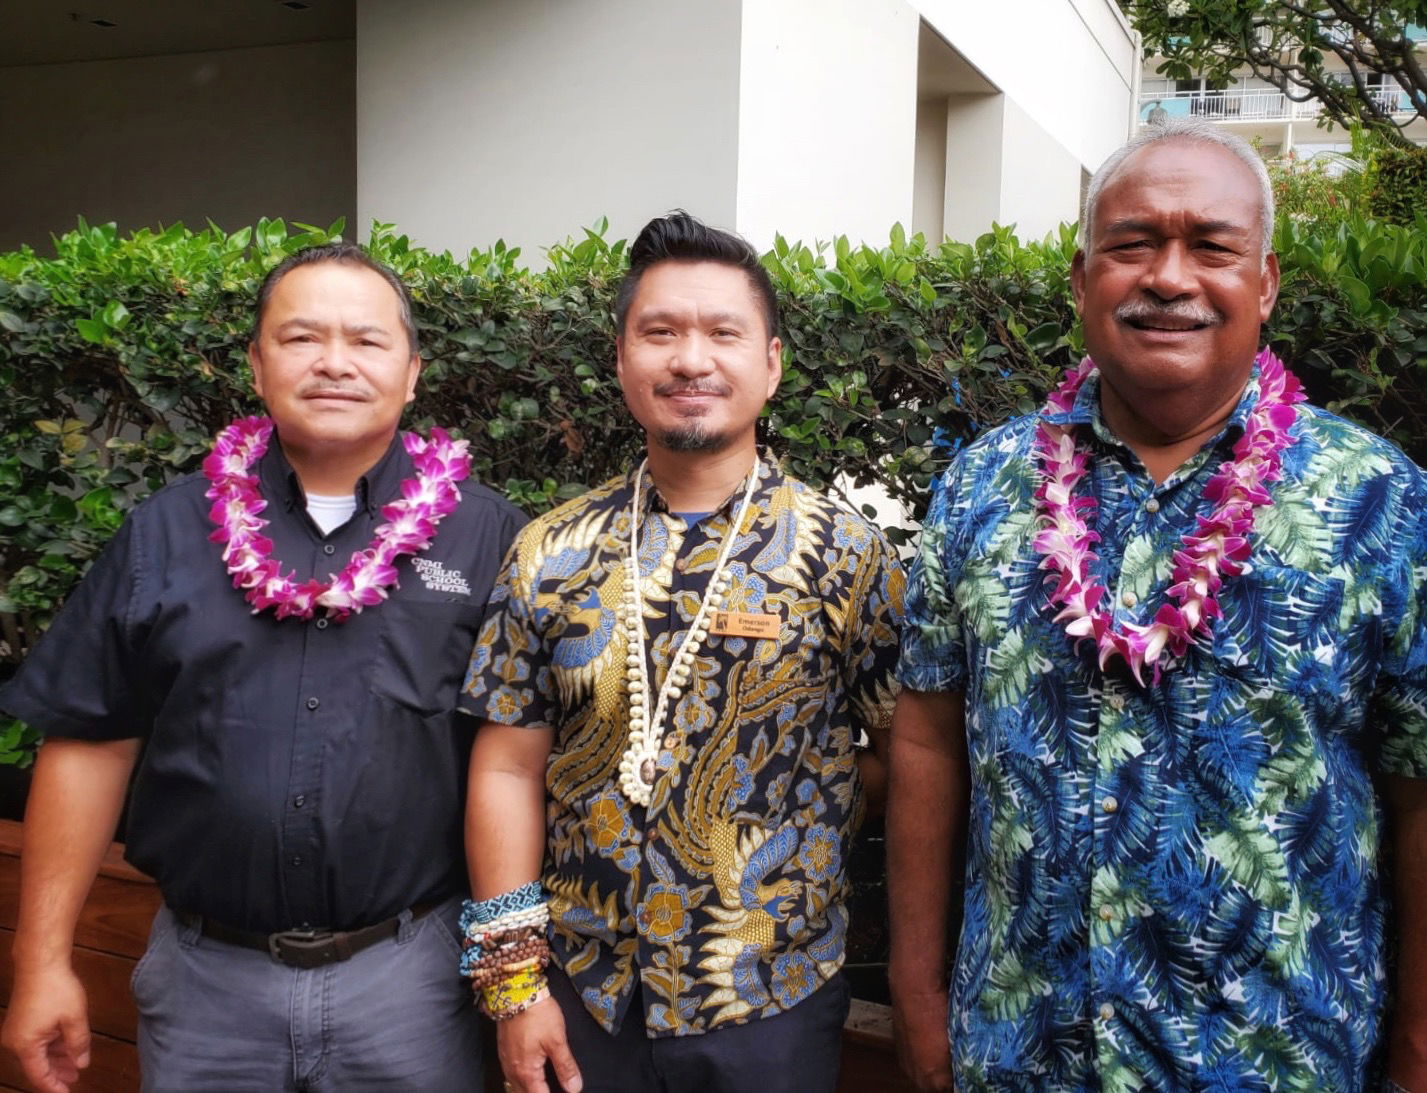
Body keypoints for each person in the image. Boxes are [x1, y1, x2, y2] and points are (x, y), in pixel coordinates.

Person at [887, 117, 1427, 1092]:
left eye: (1209, 247)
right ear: (1080, 276)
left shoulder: (1375, 503)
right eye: (1132, 244)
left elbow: (1418, 788)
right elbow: (924, 738)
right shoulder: (978, 487)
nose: (1168, 278)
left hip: (1276, 1064)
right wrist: (915, 993)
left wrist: (1417, 1051)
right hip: (1016, 1057)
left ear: (1261, 283)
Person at [0, 243, 525, 1093]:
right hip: (208, 983)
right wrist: (42, 961)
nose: (334, 362)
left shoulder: (490, 538)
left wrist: (515, 979)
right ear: (256, 364)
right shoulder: (163, 533)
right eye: (301, 338)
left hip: (415, 982)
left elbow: (519, 764)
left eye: (366, 340)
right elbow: (89, 745)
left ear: (413, 371)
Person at [458, 211, 904, 1093]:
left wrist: (795, 832)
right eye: (659, 332)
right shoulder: (550, 551)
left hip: (770, 996)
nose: (690, 358)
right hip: (580, 996)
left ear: (770, 364)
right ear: (621, 359)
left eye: (722, 332)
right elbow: (505, 767)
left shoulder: (847, 556)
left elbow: (901, 752)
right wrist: (513, 987)